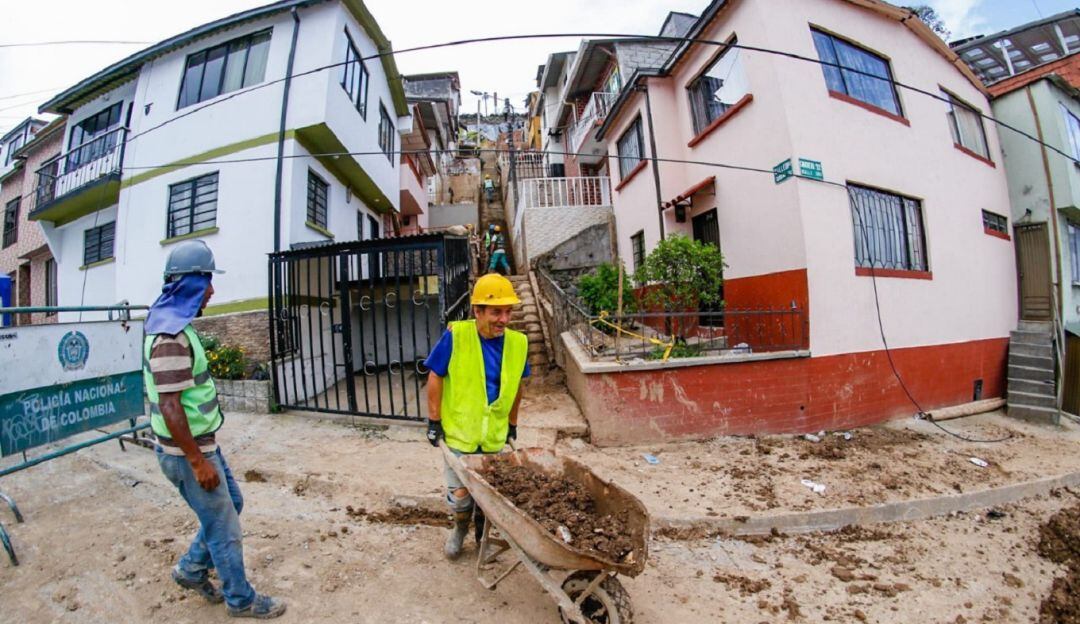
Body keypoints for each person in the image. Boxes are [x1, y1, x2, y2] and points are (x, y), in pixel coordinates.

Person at [143, 240, 285, 619]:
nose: (211, 290)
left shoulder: (176, 328)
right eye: (206, 280)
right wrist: (196, 461)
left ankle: (190, 569)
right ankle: (241, 600)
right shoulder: (169, 337)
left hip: (201, 447)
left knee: (231, 505)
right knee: (223, 528)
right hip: (188, 454)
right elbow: (171, 406)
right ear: (188, 283)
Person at [424, 273, 530, 560]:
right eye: (496, 312)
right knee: (461, 495)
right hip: (461, 432)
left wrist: (512, 423)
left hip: (493, 436)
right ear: (478, 311)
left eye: (508, 312)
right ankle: (459, 528)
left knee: (490, 497)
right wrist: (434, 421)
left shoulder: (518, 343)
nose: (504, 319)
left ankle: (482, 538)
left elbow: (518, 385)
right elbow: (435, 375)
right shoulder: (457, 336)